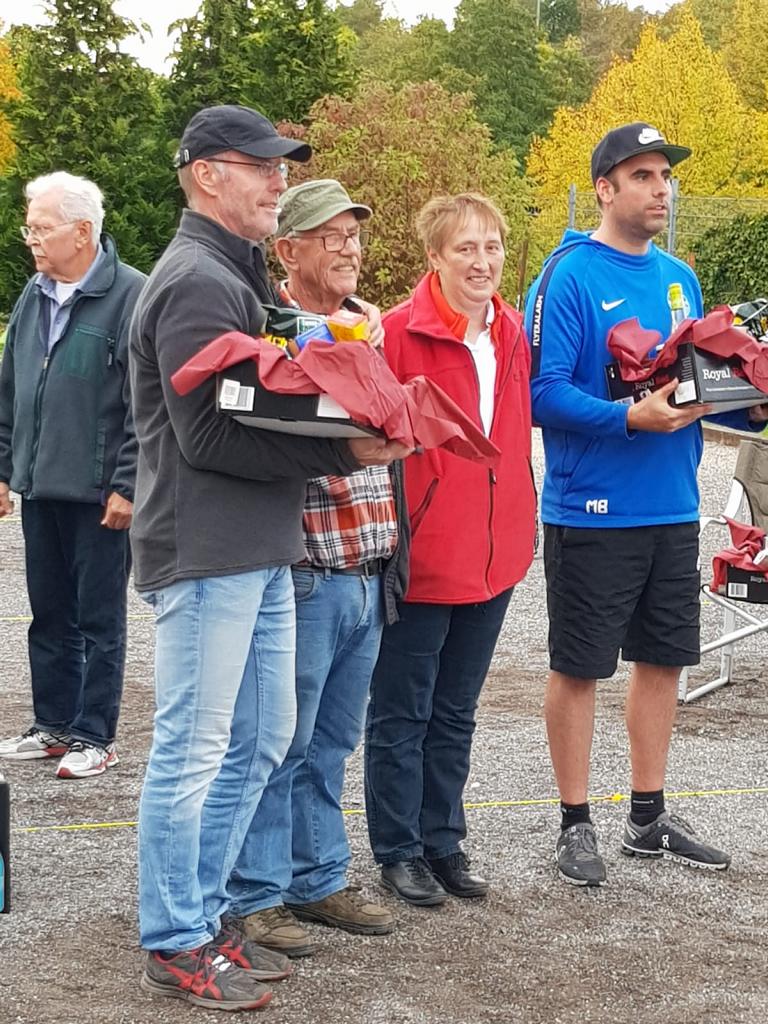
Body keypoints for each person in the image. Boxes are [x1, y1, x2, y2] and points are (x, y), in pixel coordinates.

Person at [131, 106, 409, 1012]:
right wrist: (343, 450)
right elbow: (207, 437)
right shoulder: (196, 280)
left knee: (257, 745)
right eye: (264, 168)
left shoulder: (230, 275)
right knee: (196, 749)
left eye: (283, 168)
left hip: (257, 545)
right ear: (209, 175)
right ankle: (175, 938)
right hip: (209, 552)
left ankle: (206, 919)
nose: (279, 183)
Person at [524, 122, 768, 888]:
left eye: (665, 175)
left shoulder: (680, 278)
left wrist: (750, 402)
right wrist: (628, 416)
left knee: (662, 661)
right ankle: (574, 822)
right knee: (580, 667)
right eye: (643, 176)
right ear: (605, 188)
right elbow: (540, 395)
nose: (661, 188)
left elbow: (693, 390)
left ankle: (647, 816)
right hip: (593, 508)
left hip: (670, 503)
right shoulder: (567, 276)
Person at [228, 180, 408, 955]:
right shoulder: (273, 333)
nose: (349, 249)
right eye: (329, 236)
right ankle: (259, 894)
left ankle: (319, 876)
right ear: (288, 250)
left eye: (355, 237)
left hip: (366, 566)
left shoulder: (365, 328)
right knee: (279, 742)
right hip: (306, 569)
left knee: (331, 742)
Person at [364, 193, 537, 906]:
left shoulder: (511, 331)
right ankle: (398, 849)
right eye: (465, 248)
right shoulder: (397, 334)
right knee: (402, 711)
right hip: (425, 555)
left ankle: (444, 839)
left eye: (491, 246)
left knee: (457, 709)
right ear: (434, 256)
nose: (482, 261)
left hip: (495, 554)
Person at [0, 171, 143, 779]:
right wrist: (4, 467)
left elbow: (146, 401)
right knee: (48, 612)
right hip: (41, 485)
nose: (31, 238)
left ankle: (95, 735)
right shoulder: (33, 294)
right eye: (28, 227)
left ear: (83, 231)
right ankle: (54, 723)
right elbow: (11, 389)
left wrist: (128, 483)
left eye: (41, 227)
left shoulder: (132, 295)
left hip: (99, 493)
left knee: (99, 618)